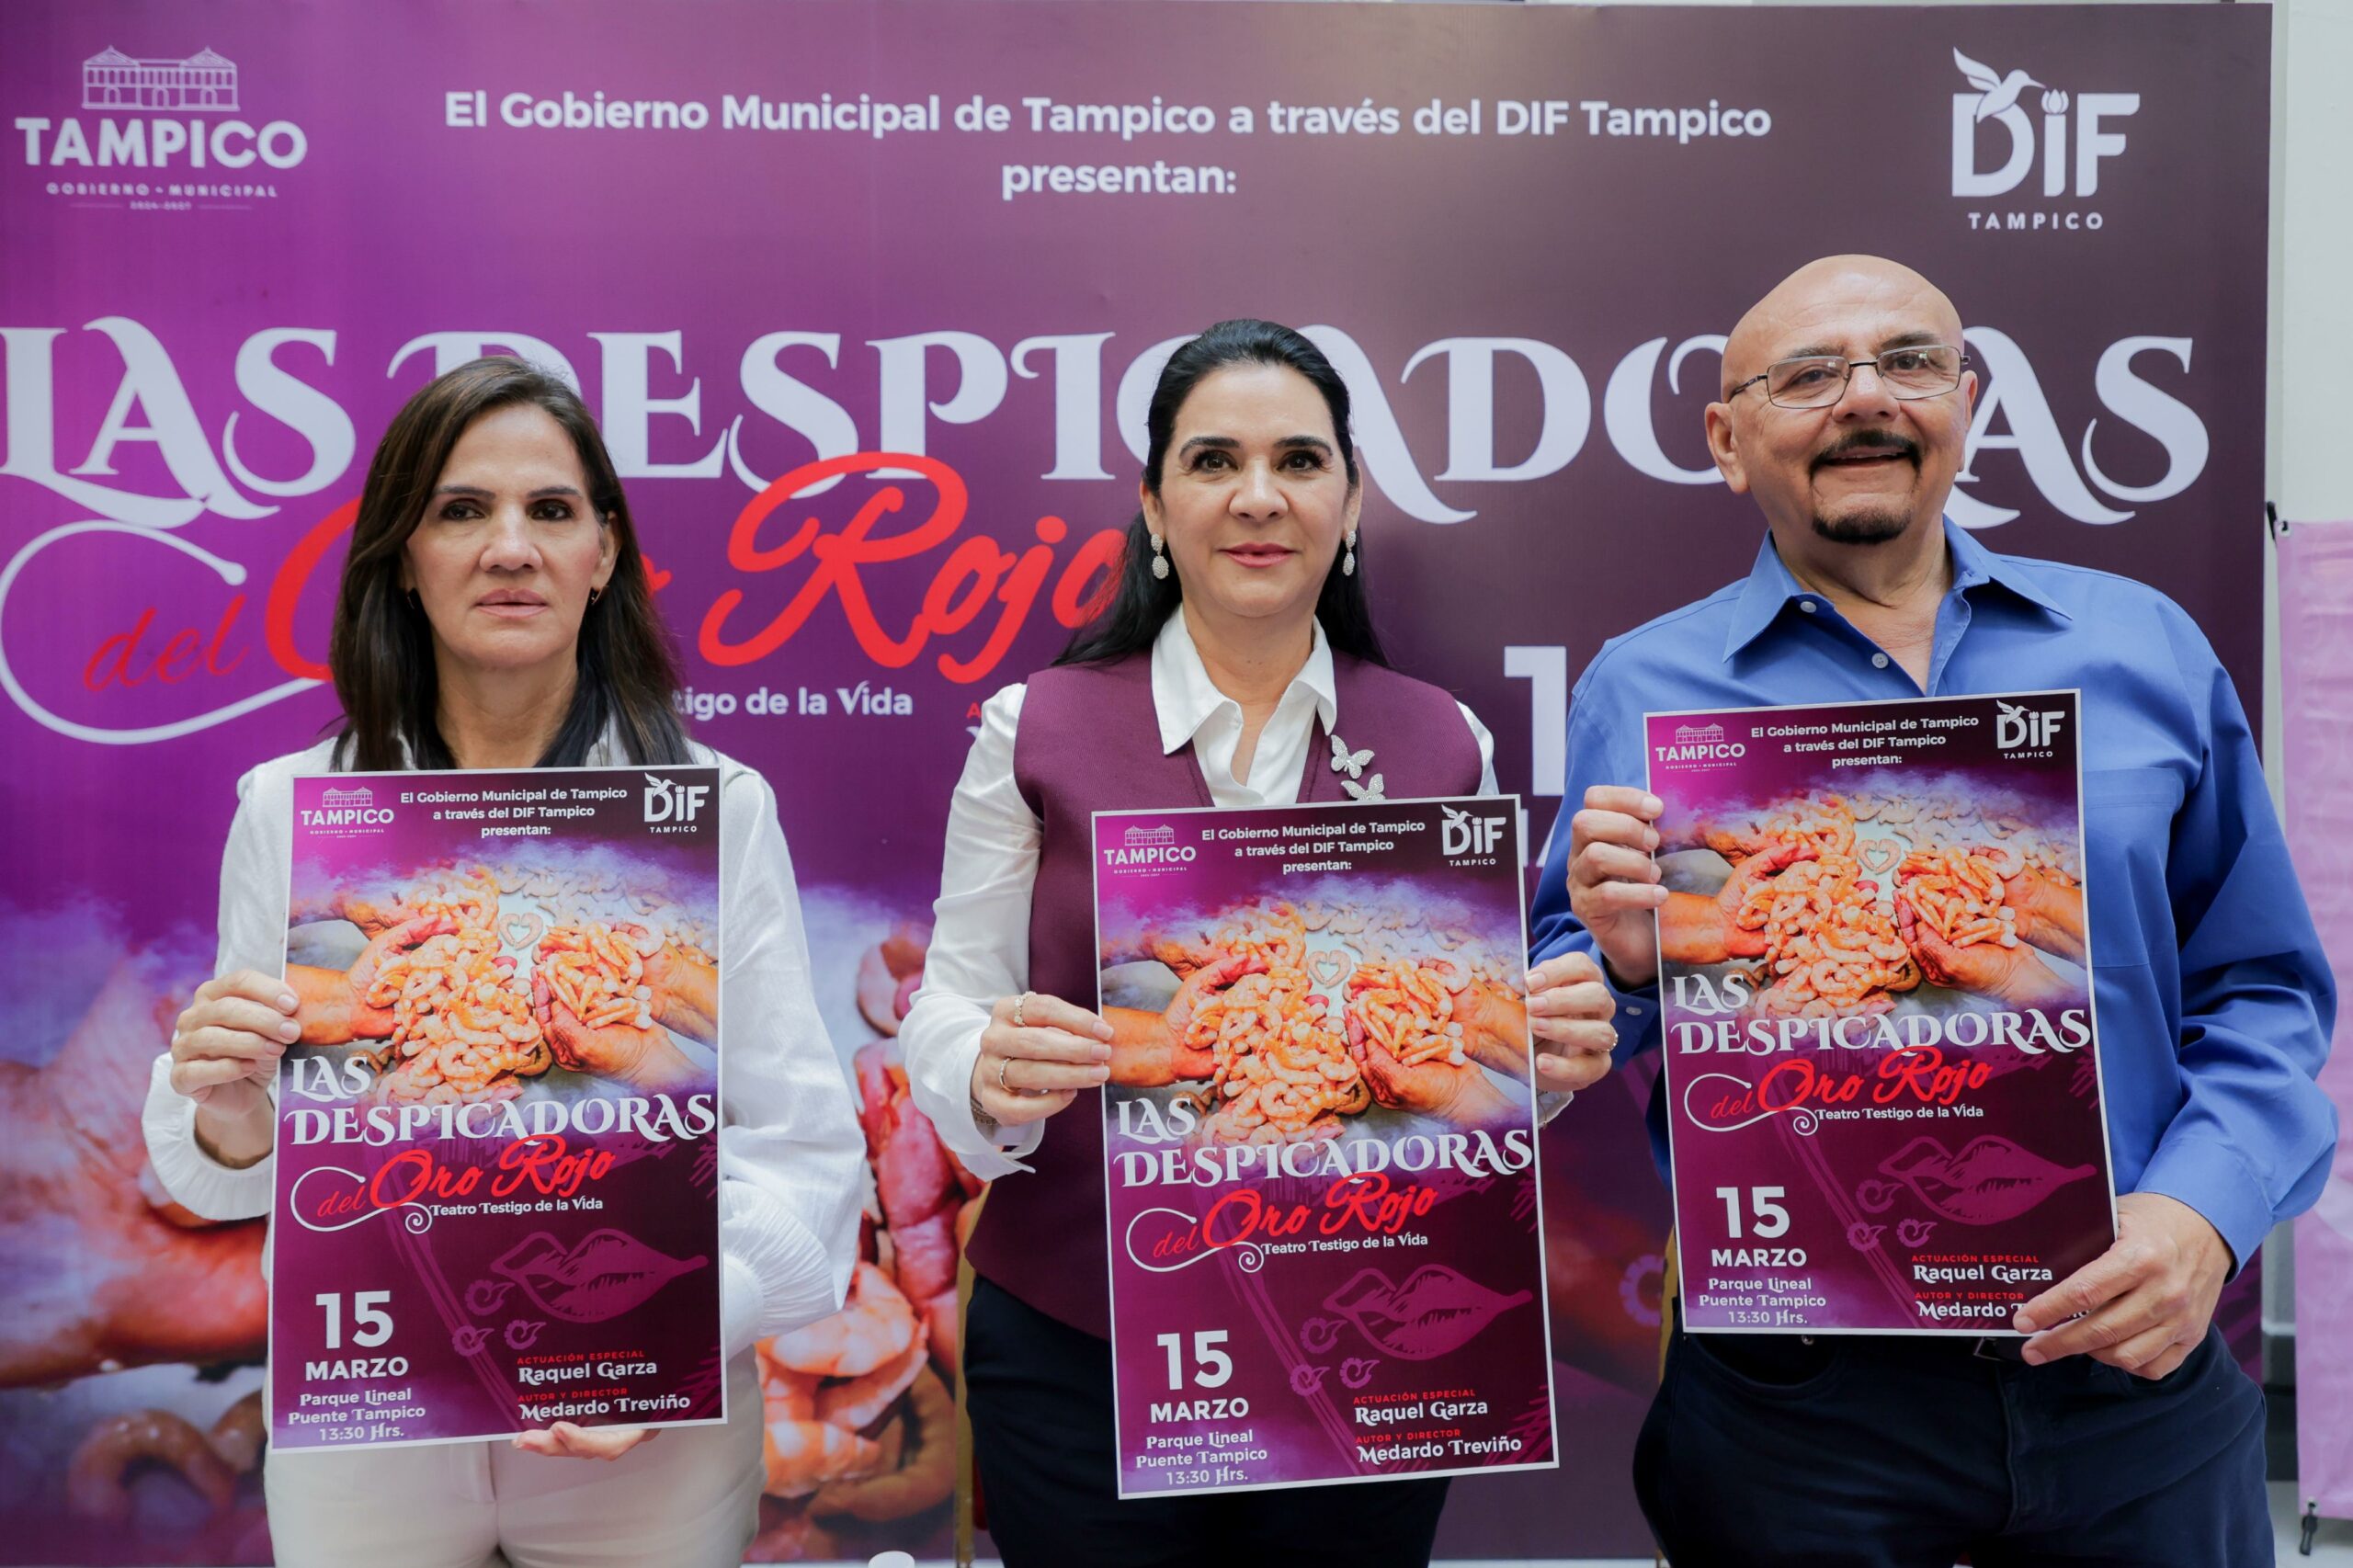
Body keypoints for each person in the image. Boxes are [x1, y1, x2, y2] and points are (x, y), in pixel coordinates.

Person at [1530, 255, 2336, 1567]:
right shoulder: (1644, 687)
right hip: (1798, 1400)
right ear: (1728, 442)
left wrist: (2205, 1211)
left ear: (1967, 403)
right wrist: (1622, 973)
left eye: (1908, 362)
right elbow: (1578, 996)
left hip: (2129, 1355)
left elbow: (2261, 987)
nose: (1866, 398)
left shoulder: (2143, 648)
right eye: (1809, 375)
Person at [898, 319, 1618, 1566]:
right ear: (1153, 505)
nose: (1257, 496)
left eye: (1298, 460)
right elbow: (950, 1006)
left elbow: (1477, 1070)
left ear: (1351, 503)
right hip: (1083, 1349)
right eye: (1214, 460)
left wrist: (1541, 1063)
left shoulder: (1444, 740)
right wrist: (984, 1066)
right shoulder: (1034, 727)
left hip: (1377, 1333)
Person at [140, 358, 866, 1568]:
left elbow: (807, 1155)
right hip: (371, 1436)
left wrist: (679, 1335)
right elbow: (234, 1174)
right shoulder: (292, 811)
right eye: (462, 510)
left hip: (645, 1439)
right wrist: (223, 1108)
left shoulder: (718, 810)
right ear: (402, 558)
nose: (510, 548)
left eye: (552, 509)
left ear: (605, 553)